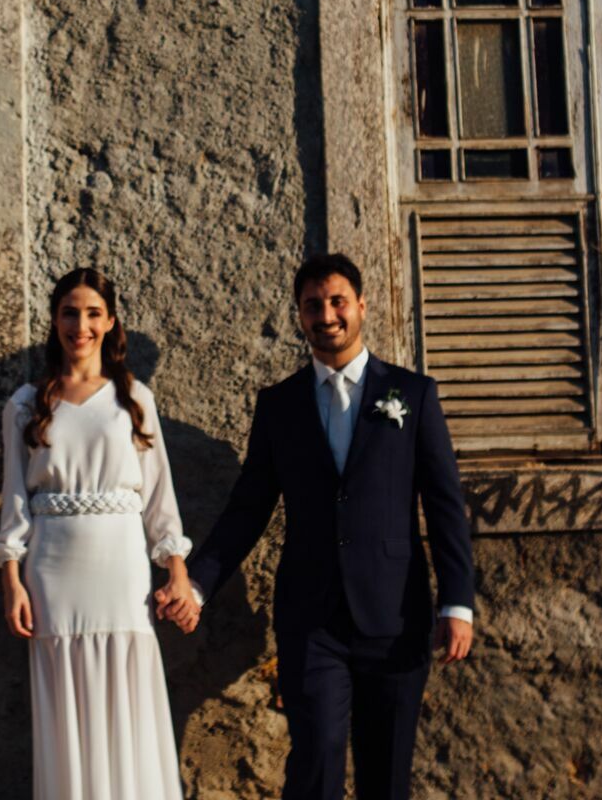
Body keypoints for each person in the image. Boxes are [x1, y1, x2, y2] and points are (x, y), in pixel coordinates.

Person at [163, 252, 475, 800]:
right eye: (312, 305)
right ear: (300, 315)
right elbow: (248, 508)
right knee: (316, 761)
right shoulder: (278, 405)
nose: (326, 315)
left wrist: (457, 603)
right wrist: (199, 582)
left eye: (337, 302)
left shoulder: (413, 394)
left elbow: (445, 505)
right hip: (312, 621)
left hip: (395, 615)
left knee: (386, 775)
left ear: (362, 306)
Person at [0, 266, 195, 800]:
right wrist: (11, 580)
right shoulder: (25, 404)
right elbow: (14, 500)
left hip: (121, 571)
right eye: (70, 313)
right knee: (66, 711)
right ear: (55, 321)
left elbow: (159, 495)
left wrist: (176, 571)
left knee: (128, 699)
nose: (81, 326)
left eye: (93, 314)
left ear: (111, 322)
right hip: (52, 573)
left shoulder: (135, 399)